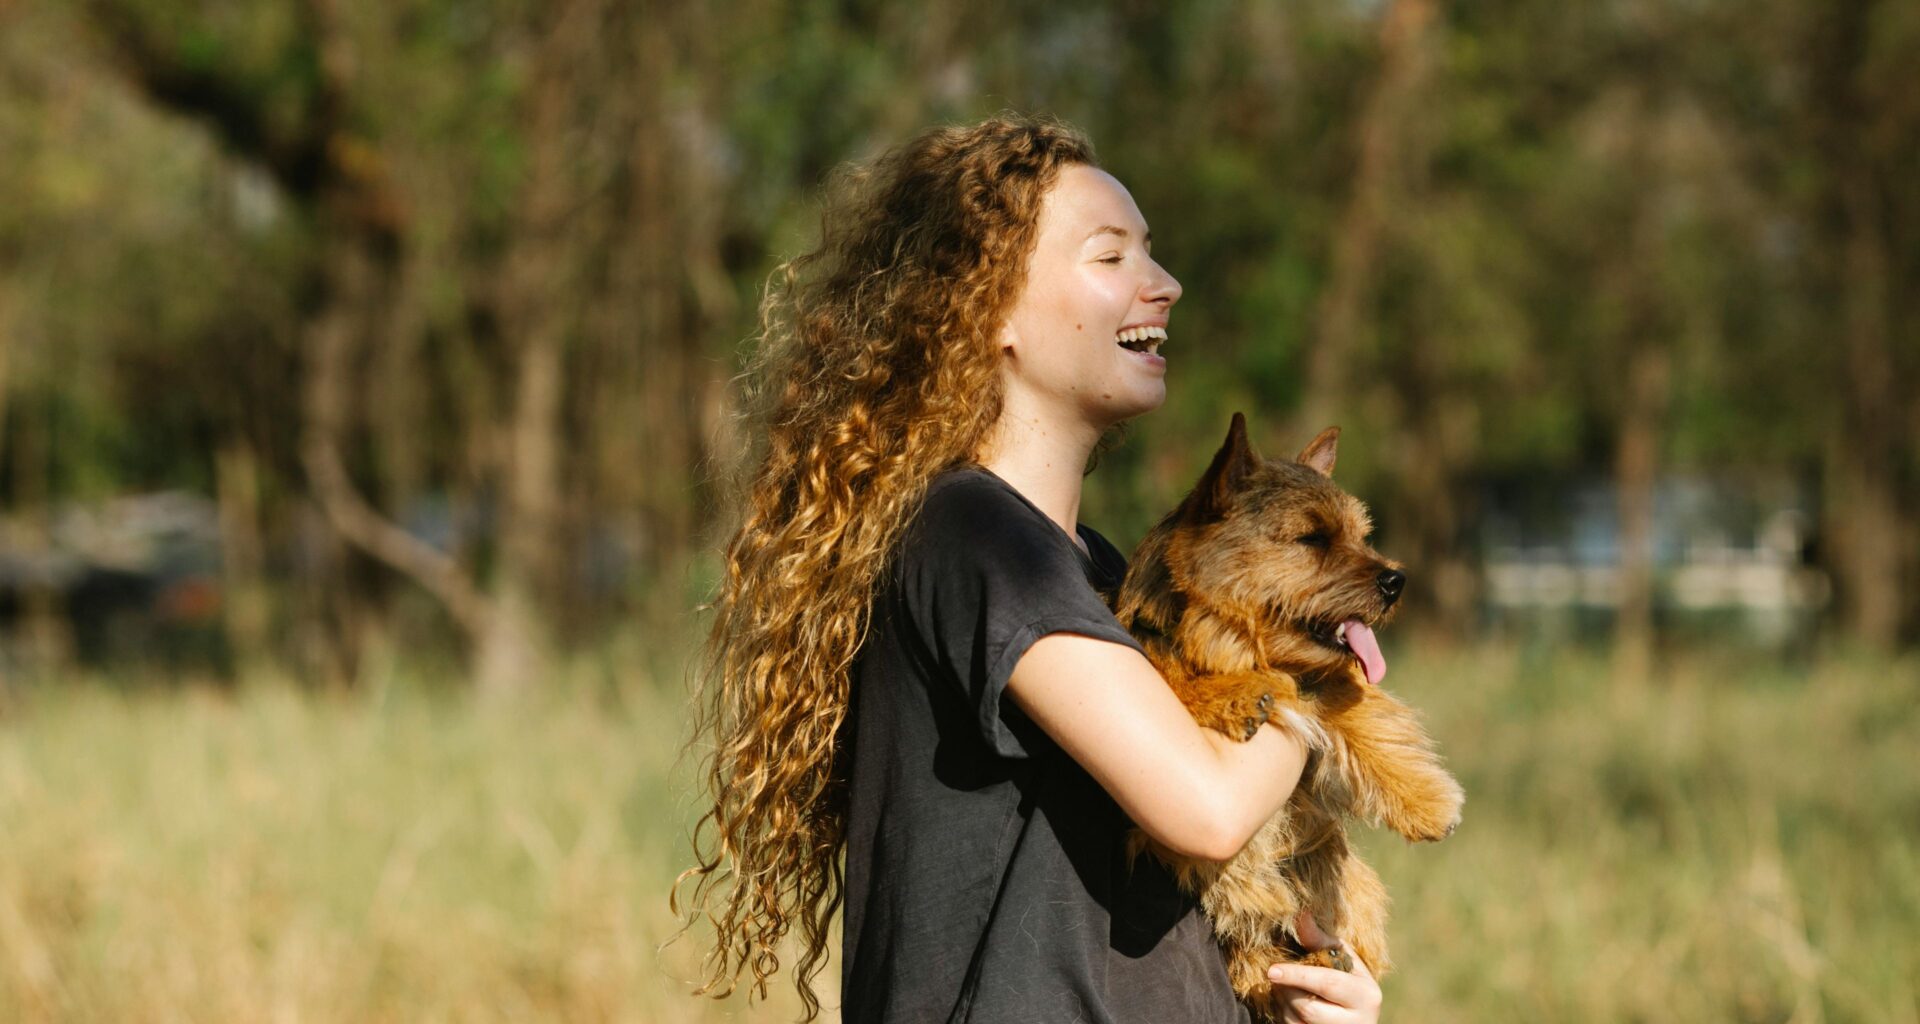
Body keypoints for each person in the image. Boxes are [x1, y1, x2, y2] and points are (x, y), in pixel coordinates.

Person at [679, 113, 1383, 1024]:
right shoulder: (972, 538)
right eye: (1111, 257)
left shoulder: (1093, 570)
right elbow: (1206, 807)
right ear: (988, 308)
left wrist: (1288, 997)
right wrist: (1313, 674)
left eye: (1152, 255)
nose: (1163, 285)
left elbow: (1152, 893)